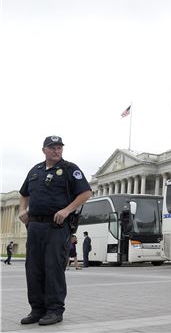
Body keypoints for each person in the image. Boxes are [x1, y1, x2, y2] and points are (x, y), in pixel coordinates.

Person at [18, 136, 92, 326]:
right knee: (33, 269)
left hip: (56, 227)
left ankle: (54, 310)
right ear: (44, 150)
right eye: (52, 148)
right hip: (34, 226)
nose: (56, 151)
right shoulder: (35, 170)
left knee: (53, 268)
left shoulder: (69, 169)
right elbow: (24, 193)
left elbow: (86, 193)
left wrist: (67, 210)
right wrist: (21, 210)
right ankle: (37, 309)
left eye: (59, 148)